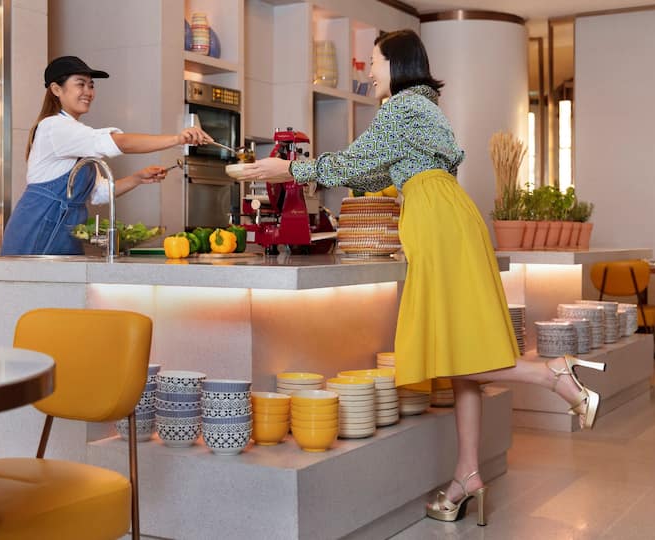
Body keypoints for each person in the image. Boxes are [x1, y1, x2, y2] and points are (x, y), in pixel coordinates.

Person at [238, 30, 605, 526]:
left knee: (449, 350)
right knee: (459, 355)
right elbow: (369, 175)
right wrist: (298, 170)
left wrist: (287, 168)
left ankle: (552, 374)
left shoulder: (401, 108)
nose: (368, 71)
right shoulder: (425, 107)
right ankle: (466, 476)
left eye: (373, 61)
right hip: (451, 216)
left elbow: (353, 163)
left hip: (437, 223)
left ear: (397, 62)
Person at [1, 55, 213, 255]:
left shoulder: (75, 131)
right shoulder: (54, 127)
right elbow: (118, 143)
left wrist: (137, 178)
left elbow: (98, 193)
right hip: (35, 232)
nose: (88, 92)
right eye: (80, 84)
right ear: (57, 89)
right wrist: (178, 139)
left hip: (63, 234)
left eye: (91, 85)